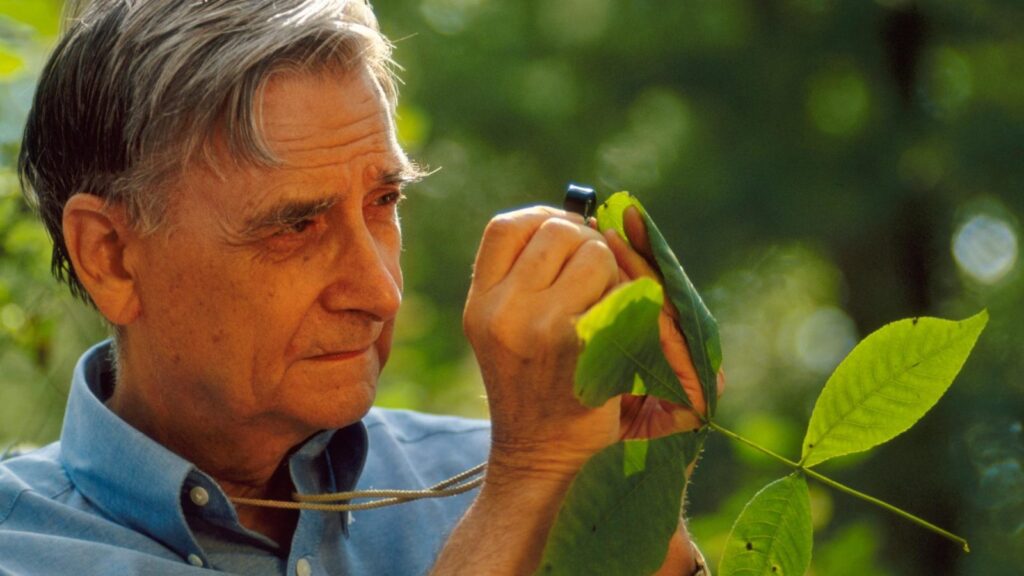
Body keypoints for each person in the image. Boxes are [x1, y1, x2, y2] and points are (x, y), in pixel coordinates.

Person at [0, 1, 718, 574]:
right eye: (296, 227)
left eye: (384, 202)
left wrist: (633, 486)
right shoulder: (25, 550)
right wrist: (527, 486)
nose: (377, 290)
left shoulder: (479, 467)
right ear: (112, 257)